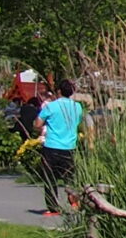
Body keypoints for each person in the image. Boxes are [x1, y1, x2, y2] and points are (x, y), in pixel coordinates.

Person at [34, 77, 87, 216]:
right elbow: (79, 122)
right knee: (70, 177)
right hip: (69, 146)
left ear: (58, 91)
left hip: (52, 146)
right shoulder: (78, 107)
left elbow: (38, 124)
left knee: (50, 178)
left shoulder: (51, 106)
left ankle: (53, 207)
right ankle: (74, 200)